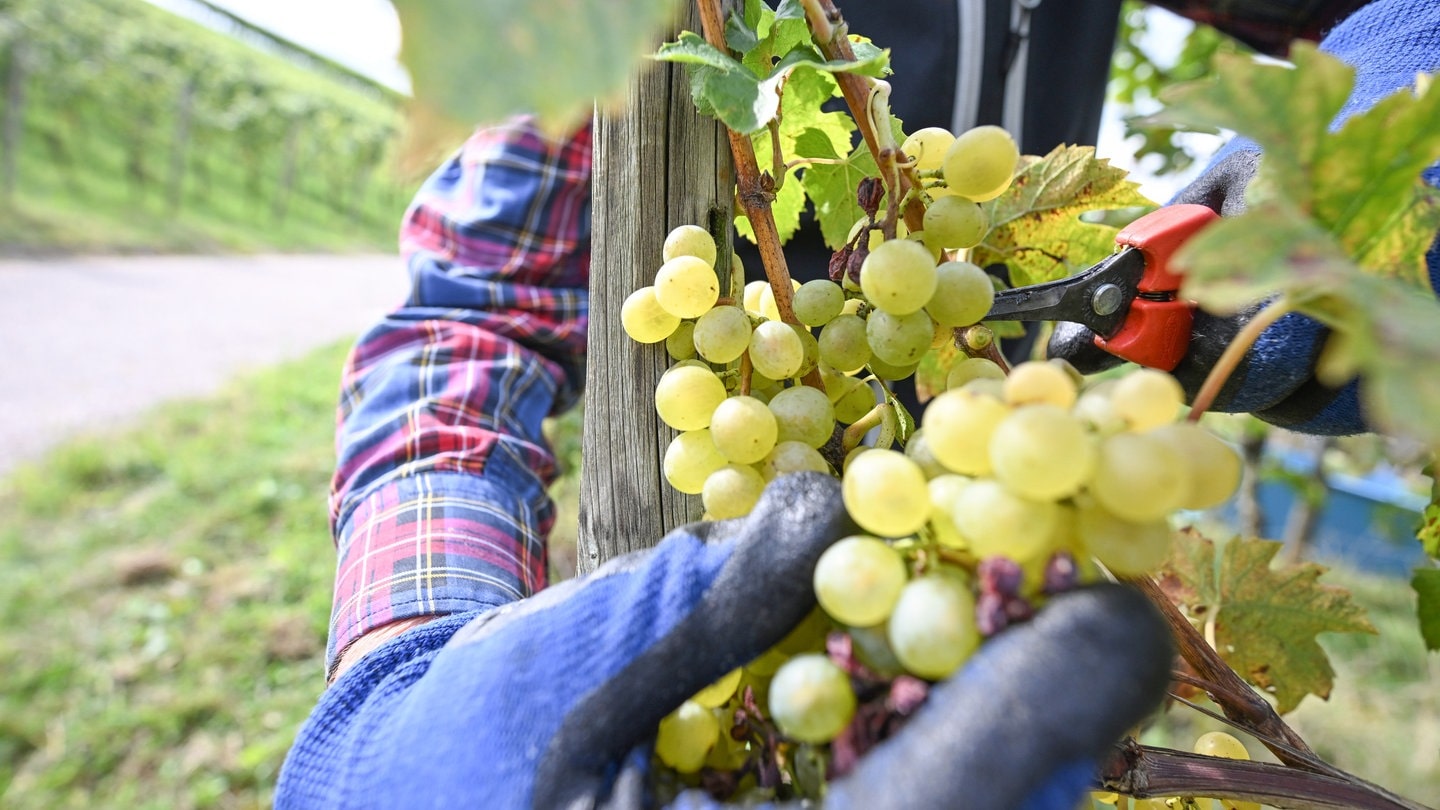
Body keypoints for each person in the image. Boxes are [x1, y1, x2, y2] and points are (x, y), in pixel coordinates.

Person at [274, 2, 1440, 807]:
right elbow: (471, 312)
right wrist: (408, 641)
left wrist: (1411, 63)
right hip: (717, 574)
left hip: (994, 543)